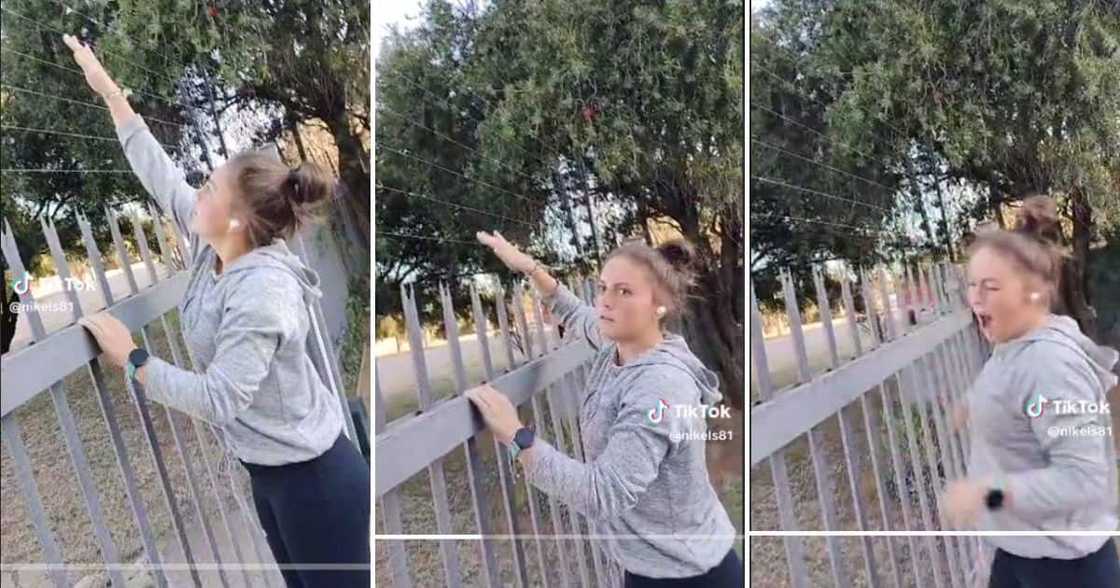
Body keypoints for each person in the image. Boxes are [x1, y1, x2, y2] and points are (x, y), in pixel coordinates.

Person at [63, 34, 370, 587]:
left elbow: (221, 397)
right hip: (272, 475)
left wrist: (132, 360)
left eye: (208, 189)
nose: (194, 195)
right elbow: (159, 175)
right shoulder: (216, 246)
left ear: (235, 220)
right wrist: (108, 90)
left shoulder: (262, 292)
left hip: (316, 483)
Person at [466, 231, 742, 587]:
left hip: (689, 574)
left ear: (660, 306)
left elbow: (604, 493)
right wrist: (529, 267)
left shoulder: (659, 386)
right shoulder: (619, 345)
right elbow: (575, 313)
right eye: (603, 288)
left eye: (624, 291)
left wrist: (516, 436)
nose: (605, 302)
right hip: (651, 565)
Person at [941, 204, 1120, 587]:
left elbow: (1084, 479)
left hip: (1066, 567)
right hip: (1021, 550)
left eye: (990, 287)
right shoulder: (1014, 344)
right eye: (972, 285)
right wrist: (970, 404)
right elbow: (1008, 383)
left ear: (1035, 293)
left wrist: (988, 493)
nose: (975, 298)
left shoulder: (1051, 366)